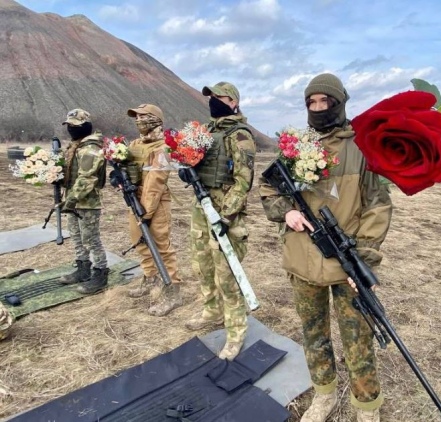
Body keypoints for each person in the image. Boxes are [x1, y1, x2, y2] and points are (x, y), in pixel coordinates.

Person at [259, 73, 393, 422]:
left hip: (347, 260)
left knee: (358, 337)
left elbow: (378, 205)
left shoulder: (360, 148)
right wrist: (286, 212)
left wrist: (364, 256)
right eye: (312, 102)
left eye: (326, 101)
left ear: (340, 102)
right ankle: (324, 394)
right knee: (314, 334)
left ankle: (367, 406)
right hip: (302, 260)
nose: (318, 108)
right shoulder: (294, 147)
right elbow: (268, 191)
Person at [184, 81, 256, 361]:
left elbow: (243, 181)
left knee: (227, 274)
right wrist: (187, 169)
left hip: (225, 212)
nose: (213, 100)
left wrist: (226, 215)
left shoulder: (240, 136)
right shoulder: (205, 132)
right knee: (202, 264)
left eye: (220, 97)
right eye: (211, 96)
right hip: (201, 207)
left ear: (233, 102)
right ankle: (212, 310)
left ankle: (236, 331)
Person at [123, 104, 183, 316]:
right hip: (135, 199)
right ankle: (150, 278)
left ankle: (172, 292)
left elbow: (156, 180)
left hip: (156, 202)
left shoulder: (164, 147)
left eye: (143, 116)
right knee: (139, 241)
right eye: (136, 117)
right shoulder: (135, 144)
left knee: (161, 246)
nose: (138, 120)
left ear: (155, 119)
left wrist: (146, 212)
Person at [58, 108, 109, 295]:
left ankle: (100, 273)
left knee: (91, 239)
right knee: (77, 237)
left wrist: (71, 199)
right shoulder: (76, 146)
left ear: (86, 126)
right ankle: (83, 268)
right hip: (73, 200)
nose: (71, 129)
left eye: (75, 126)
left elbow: (87, 179)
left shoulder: (90, 148)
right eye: (69, 125)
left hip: (87, 202)